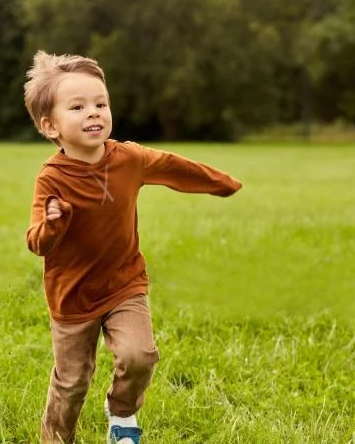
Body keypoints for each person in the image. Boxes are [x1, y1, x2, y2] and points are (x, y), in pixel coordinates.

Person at [23, 50, 243, 444]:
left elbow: (176, 166)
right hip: (72, 296)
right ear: (49, 126)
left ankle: (122, 416)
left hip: (125, 283)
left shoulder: (129, 158)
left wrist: (221, 183)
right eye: (77, 107)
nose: (94, 113)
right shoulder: (51, 179)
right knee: (72, 382)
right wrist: (53, 224)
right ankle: (55, 439)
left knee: (139, 356)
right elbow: (36, 242)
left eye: (100, 104)